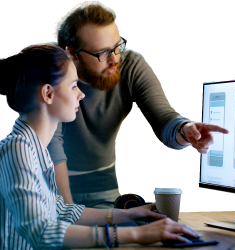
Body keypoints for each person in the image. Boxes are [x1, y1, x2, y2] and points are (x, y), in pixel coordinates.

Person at [0, 43, 200, 249]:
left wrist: (131, 214)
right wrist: (137, 233)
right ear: (48, 94)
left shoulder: (34, 148)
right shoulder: (18, 150)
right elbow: (41, 231)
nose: (81, 94)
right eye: (73, 86)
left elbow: (60, 211)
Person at [47, 0, 229, 208]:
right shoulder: (46, 67)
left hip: (103, 190)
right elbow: (53, 146)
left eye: (118, 46)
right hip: (48, 190)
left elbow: (164, 119)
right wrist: (69, 212)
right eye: (102, 53)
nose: (115, 59)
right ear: (71, 53)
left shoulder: (131, 64)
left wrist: (185, 129)